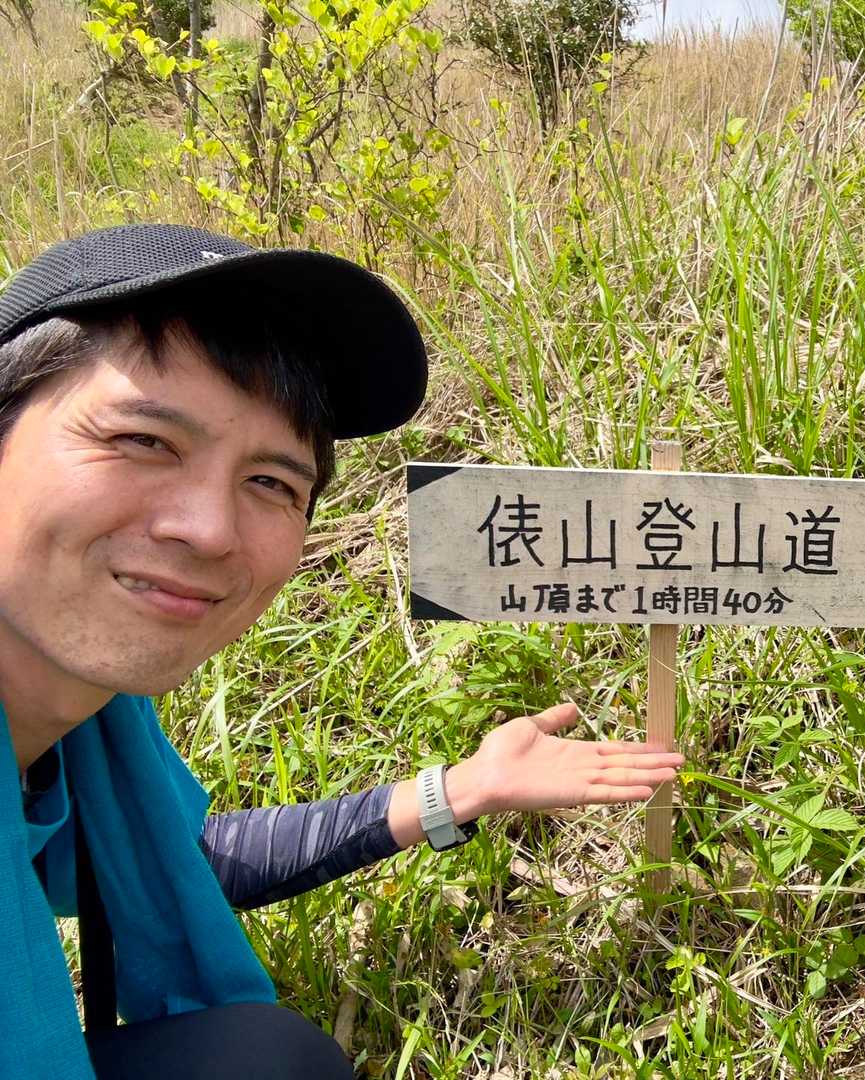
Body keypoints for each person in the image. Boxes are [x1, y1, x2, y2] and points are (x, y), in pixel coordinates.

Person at [0, 223, 685, 1080]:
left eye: (270, 482)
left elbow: (180, 861)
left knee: (268, 1058)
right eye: (143, 440)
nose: (208, 529)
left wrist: (462, 791)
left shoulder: (85, 738)